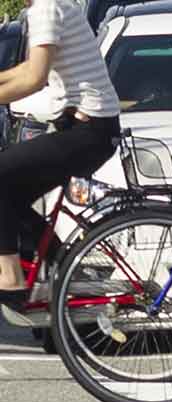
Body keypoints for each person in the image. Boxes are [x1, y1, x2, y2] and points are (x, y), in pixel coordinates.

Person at [0, 0, 120, 308]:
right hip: (88, 129)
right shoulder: (51, 6)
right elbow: (28, 68)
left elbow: (34, 78)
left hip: (88, 132)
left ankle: (10, 277)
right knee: (10, 198)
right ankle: (65, 269)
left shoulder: (47, 8)